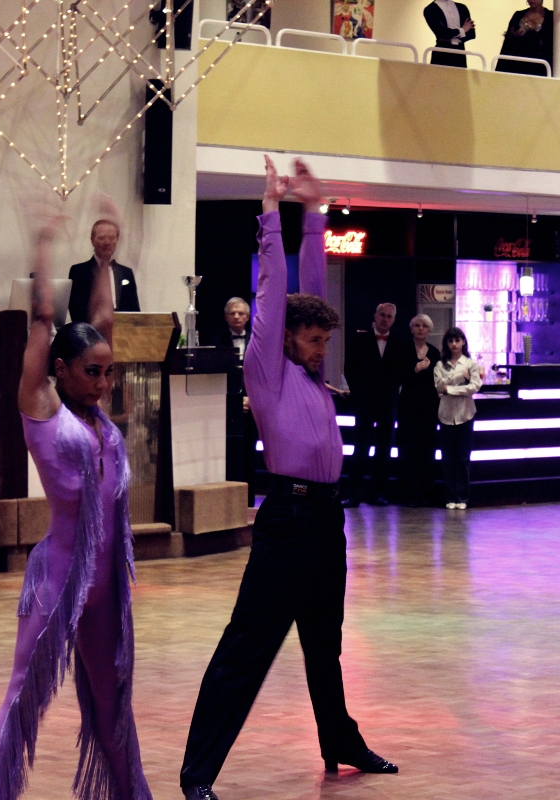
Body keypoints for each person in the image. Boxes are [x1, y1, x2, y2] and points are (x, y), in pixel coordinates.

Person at [180, 157, 397, 800]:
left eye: (325, 340)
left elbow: (311, 286)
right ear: (284, 339)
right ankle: (197, 774)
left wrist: (314, 212)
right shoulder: (266, 370)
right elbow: (274, 295)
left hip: (327, 517)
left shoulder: (308, 371)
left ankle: (340, 742)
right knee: (248, 647)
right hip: (289, 519)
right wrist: (271, 212)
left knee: (324, 643)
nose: (322, 349)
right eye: (312, 340)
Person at [0, 200, 151, 800]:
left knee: (113, 702)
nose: (103, 384)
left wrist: (104, 260)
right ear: (61, 369)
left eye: (108, 372)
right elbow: (42, 316)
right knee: (23, 696)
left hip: (107, 585)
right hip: (59, 578)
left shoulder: (98, 418)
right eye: (91, 372)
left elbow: (103, 317)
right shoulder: (42, 407)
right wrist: (43, 242)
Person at [342, 302, 398, 508]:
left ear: (393, 320)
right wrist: (359, 395)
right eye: (382, 315)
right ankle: (353, 494)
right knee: (361, 448)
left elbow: (401, 373)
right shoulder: (359, 340)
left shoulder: (399, 343)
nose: (385, 319)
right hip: (364, 403)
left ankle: (378, 493)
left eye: (389, 316)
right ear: (375, 316)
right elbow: (349, 369)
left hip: (388, 404)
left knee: (384, 449)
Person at [204, 297, 256, 504]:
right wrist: (234, 401)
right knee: (227, 456)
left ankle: (249, 502)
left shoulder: (256, 342)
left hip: (252, 409)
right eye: (232, 313)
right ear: (226, 317)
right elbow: (213, 376)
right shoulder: (215, 341)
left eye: (240, 313)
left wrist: (253, 399)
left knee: (249, 455)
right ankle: (227, 502)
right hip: (224, 409)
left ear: (248, 317)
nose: (236, 316)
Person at [394, 314, 440, 507]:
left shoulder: (435, 353)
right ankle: (409, 493)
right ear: (411, 329)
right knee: (408, 449)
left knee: (427, 449)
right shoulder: (403, 350)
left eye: (424, 326)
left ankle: (426, 492)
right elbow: (396, 376)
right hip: (408, 406)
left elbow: (439, 379)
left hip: (429, 407)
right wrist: (414, 369)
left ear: (429, 330)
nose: (421, 329)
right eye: (417, 325)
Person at [433, 327, 481, 510]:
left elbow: (474, 386)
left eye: (457, 340)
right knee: (448, 458)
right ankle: (450, 496)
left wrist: (450, 388)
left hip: (465, 414)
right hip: (445, 415)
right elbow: (438, 386)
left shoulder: (470, 364)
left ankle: (462, 497)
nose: (454, 344)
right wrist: (461, 378)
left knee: (462, 458)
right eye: (450, 341)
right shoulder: (440, 365)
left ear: (463, 342)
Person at [68, 218, 140, 323]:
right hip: (91, 330)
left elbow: (135, 313)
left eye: (111, 238)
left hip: (123, 329)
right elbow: (77, 313)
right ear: (92, 240)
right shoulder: (79, 272)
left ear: (117, 240)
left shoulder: (126, 273)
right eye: (101, 238)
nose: (107, 242)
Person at [497, 0, 553, 76]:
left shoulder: (551, 17)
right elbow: (507, 45)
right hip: (516, 64)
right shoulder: (518, 15)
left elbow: (551, 44)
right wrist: (514, 37)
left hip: (539, 66)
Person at [423, 0, 476, 68]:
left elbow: (471, 34)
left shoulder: (462, 7)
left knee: (459, 74)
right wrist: (462, 31)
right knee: (439, 74)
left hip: (460, 52)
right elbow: (441, 32)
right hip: (442, 51)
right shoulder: (430, 9)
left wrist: (452, 34)